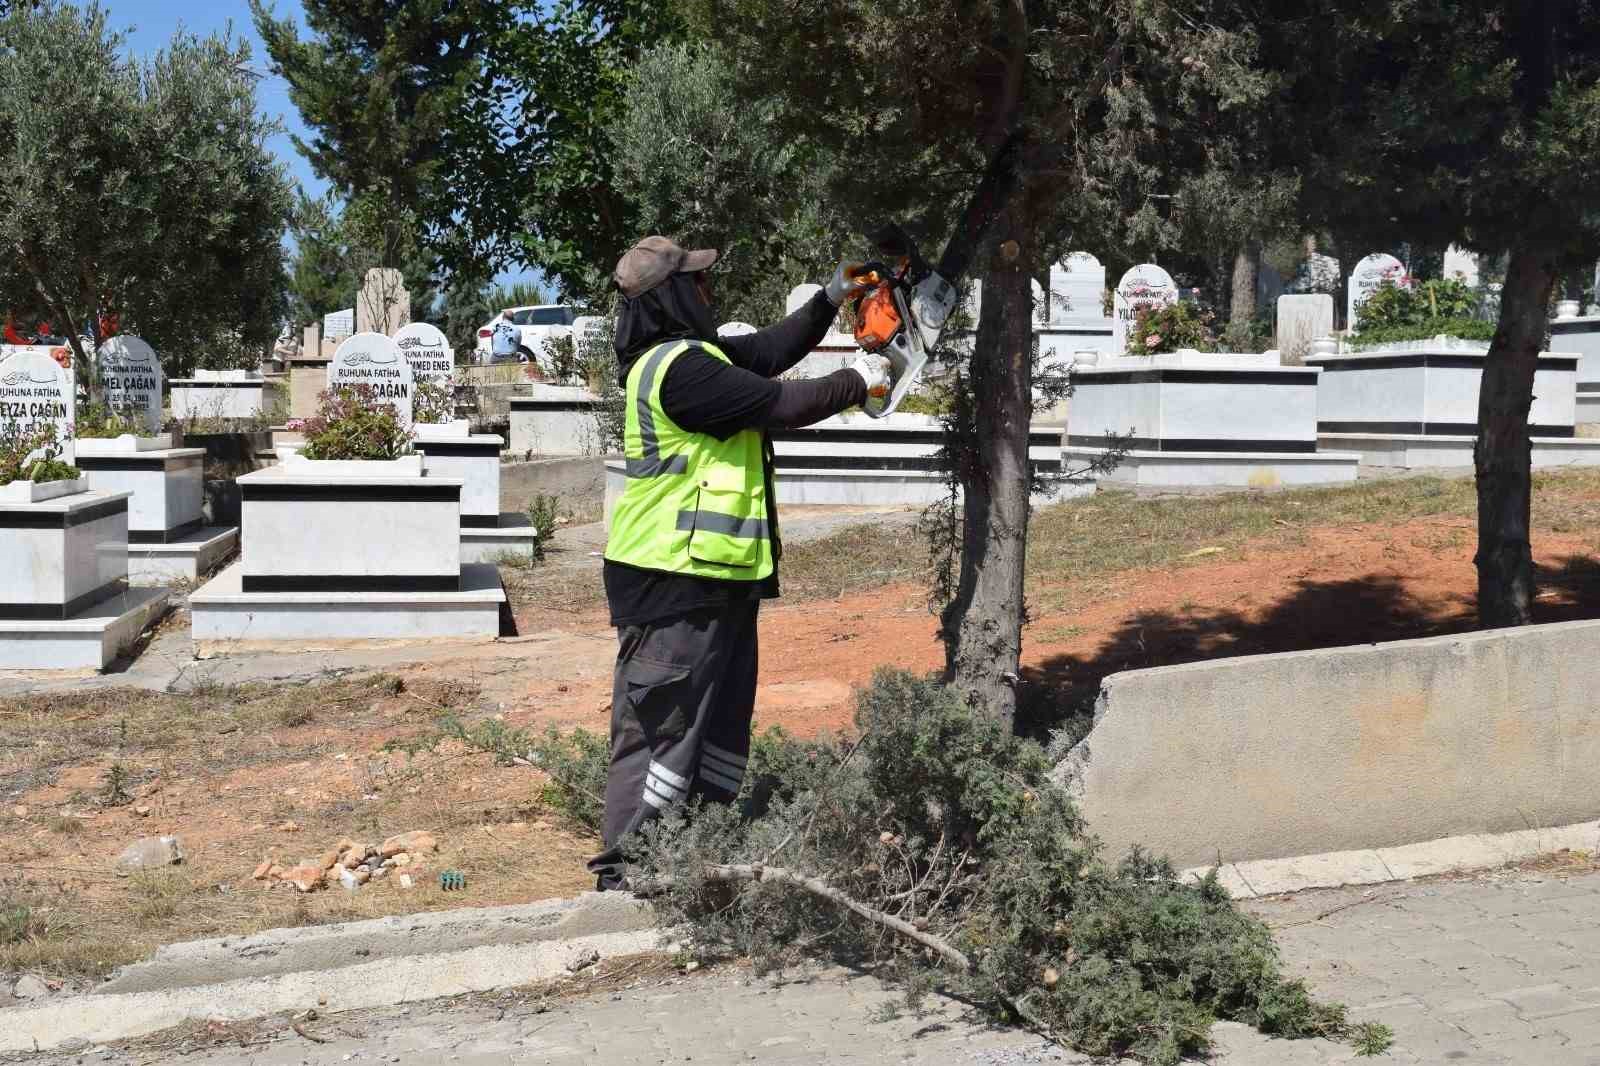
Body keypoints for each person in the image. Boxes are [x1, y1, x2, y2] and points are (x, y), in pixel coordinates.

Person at [589, 235, 888, 891]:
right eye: (697, 282)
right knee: (662, 729)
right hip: (673, 579)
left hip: (712, 577)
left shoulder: (696, 357)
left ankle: (699, 855)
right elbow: (782, 403)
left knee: (717, 725)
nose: (708, 290)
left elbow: (770, 351)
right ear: (670, 296)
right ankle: (628, 878)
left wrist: (832, 298)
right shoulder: (680, 373)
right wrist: (857, 382)